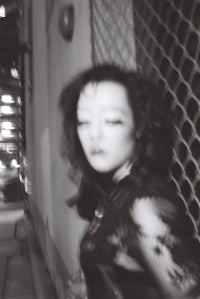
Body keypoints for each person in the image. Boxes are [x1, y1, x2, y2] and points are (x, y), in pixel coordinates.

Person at [59, 64, 200, 299]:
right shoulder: (119, 191)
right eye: (84, 121)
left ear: (139, 125)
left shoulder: (145, 206)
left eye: (112, 121)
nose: (94, 134)